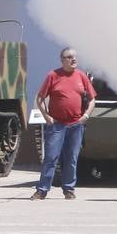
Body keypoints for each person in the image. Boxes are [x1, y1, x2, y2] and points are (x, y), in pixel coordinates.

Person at [32, 48, 95, 200]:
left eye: (75, 57)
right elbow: (40, 98)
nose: (74, 59)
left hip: (76, 125)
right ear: (62, 60)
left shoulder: (81, 76)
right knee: (51, 157)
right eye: (69, 57)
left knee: (71, 158)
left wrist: (86, 115)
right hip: (57, 125)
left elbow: (92, 99)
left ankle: (69, 189)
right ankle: (42, 190)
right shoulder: (53, 76)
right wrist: (46, 116)